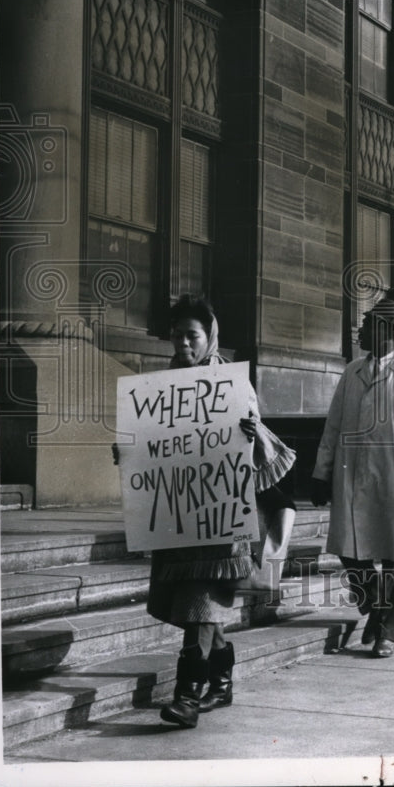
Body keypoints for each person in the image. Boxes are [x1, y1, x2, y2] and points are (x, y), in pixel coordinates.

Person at [113, 294, 296, 728]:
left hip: (219, 522)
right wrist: (129, 451)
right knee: (198, 609)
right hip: (180, 521)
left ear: (209, 336)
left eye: (191, 335)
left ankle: (187, 696)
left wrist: (251, 434)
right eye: (176, 336)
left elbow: (257, 450)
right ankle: (222, 680)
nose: (182, 344)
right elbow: (154, 446)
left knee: (200, 605)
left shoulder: (230, 384)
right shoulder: (160, 386)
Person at [310, 298, 394, 659]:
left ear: (390, 330)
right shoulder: (352, 372)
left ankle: (391, 628)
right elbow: (332, 426)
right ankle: (377, 606)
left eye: (367, 324)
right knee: (351, 552)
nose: (360, 330)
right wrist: (321, 473)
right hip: (353, 475)